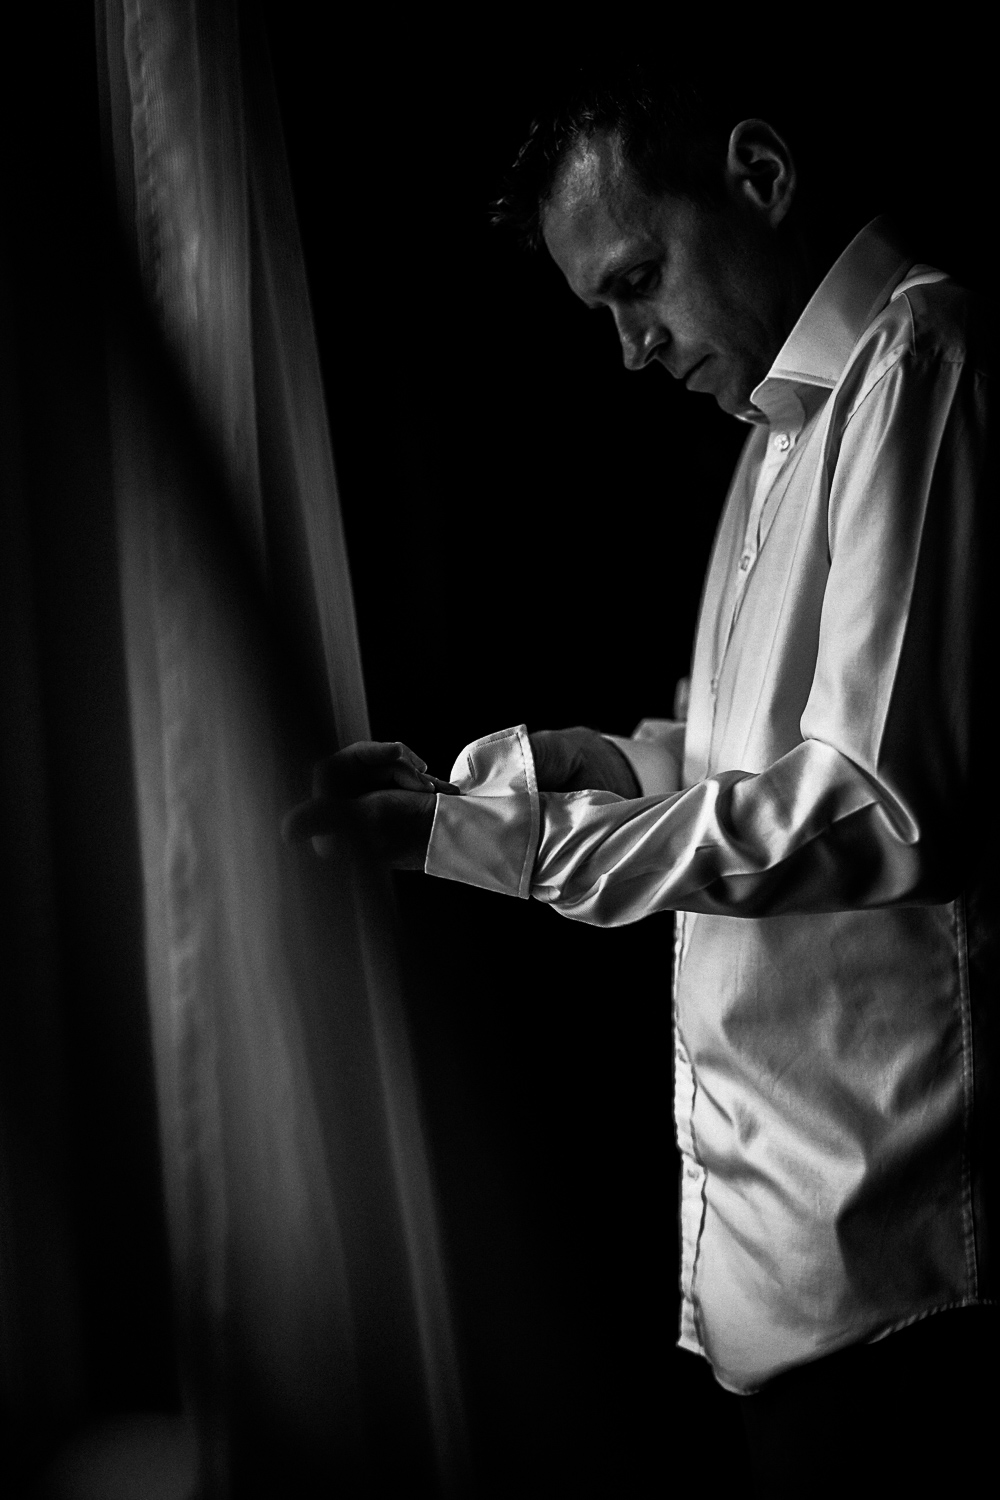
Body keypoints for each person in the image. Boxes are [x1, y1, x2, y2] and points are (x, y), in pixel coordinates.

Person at [285, 72, 997, 1490]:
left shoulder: (917, 363)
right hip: (781, 1253)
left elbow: (873, 807)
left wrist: (497, 845)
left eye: (636, 281)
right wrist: (531, 778)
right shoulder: (775, 437)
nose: (627, 347)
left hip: (896, 1266)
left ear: (761, 175)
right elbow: (726, 764)